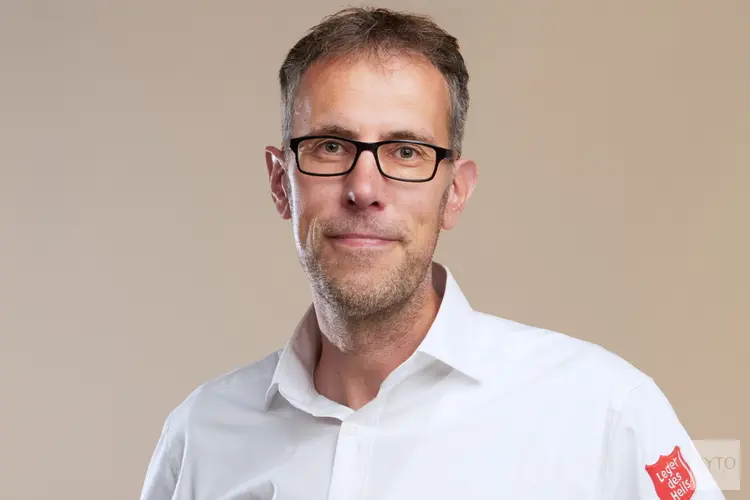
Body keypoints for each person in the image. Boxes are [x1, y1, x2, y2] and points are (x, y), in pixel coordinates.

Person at [140, 7, 725, 500]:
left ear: (455, 193)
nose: (364, 188)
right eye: (330, 146)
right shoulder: (200, 437)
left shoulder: (605, 412)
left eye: (406, 152)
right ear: (279, 182)